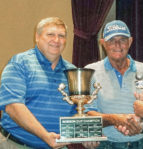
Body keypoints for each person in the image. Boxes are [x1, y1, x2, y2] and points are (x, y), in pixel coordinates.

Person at [0, 17, 95, 149]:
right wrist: (45, 136)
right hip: (17, 144)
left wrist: (85, 135)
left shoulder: (72, 71)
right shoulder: (19, 63)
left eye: (61, 36)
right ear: (37, 37)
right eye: (50, 34)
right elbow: (13, 107)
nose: (56, 40)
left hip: (59, 146)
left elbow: (79, 110)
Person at [84, 20, 143, 149]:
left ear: (130, 42)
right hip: (104, 145)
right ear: (103, 44)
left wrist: (141, 123)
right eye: (112, 40)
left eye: (122, 40)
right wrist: (116, 119)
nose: (117, 45)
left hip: (141, 144)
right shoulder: (90, 72)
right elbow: (87, 113)